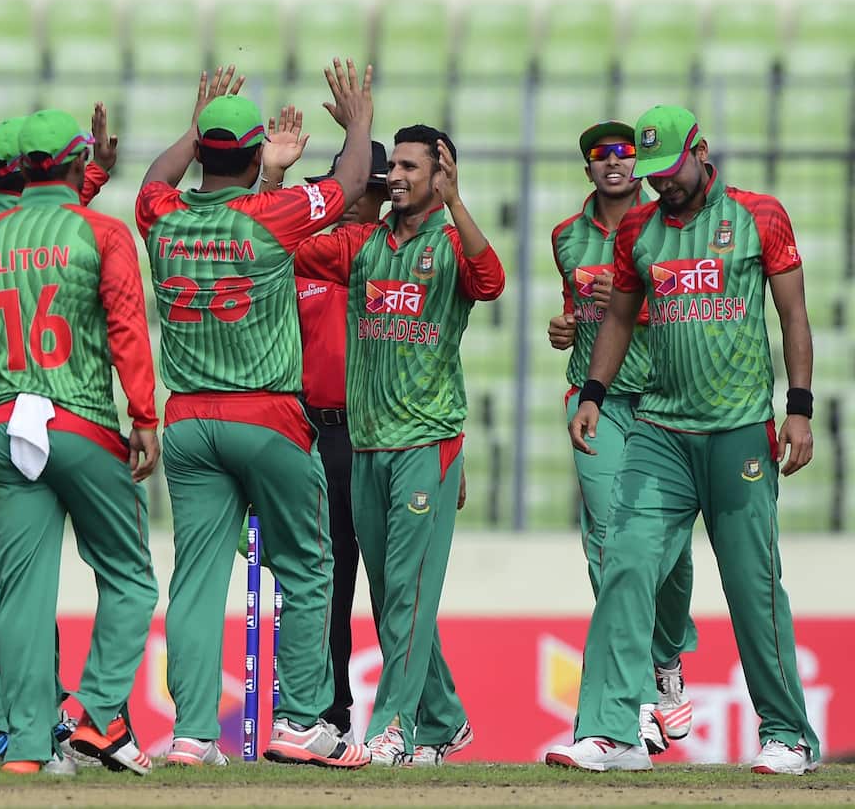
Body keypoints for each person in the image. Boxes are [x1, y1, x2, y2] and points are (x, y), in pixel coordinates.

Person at [548, 105, 821, 774]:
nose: (661, 184)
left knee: (752, 584)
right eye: (653, 173)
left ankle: (789, 735)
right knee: (625, 564)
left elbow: (793, 314)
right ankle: (613, 731)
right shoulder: (638, 227)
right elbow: (616, 316)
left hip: (736, 433)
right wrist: (593, 394)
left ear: (701, 152)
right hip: (658, 434)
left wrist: (800, 408)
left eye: (670, 170)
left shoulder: (760, 215)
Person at [136, 59, 374, 769]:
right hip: (267, 418)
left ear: (204, 155)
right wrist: (358, 123)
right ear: (251, 156)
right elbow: (353, 185)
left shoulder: (163, 219)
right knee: (306, 566)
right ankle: (302, 723)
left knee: (197, 578)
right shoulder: (269, 216)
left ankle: (190, 736)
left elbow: (153, 178)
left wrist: (195, 126)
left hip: (185, 423)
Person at [294, 124, 504, 766]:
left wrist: (459, 203)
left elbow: (490, 280)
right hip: (367, 444)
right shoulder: (366, 245)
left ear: (442, 175)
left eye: (413, 168)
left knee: (407, 593)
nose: (398, 178)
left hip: (426, 440)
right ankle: (444, 717)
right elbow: (289, 250)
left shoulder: (450, 242)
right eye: (397, 168)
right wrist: (277, 179)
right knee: (391, 597)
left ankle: (393, 727)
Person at [0, 108, 159, 776]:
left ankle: (25, 749)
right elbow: (127, 329)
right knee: (129, 578)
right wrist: (145, 417)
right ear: (77, 165)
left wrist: (4, 397)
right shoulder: (101, 231)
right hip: (79, 422)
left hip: (2, 419)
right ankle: (100, 718)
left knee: (20, 592)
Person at [547, 120, 697, 753]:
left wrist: (634, 295)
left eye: (625, 153)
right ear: (588, 169)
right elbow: (577, 311)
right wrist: (567, 325)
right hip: (597, 399)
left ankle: (666, 660)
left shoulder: (663, 225)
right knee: (609, 541)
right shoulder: (566, 236)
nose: (613, 162)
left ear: (640, 164)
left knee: (672, 552)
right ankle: (634, 699)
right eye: (600, 155)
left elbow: (692, 306)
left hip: (664, 399)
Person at [295, 141, 390, 739]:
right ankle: (328, 713)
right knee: (323, 578)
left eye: (364, 186)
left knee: (393, 579)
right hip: (315, 432)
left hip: (382, 436)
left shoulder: (390, 254)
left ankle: (415, 717)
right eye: (343, 184)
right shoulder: (299, 257)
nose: (353, 196)